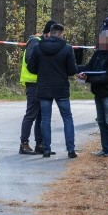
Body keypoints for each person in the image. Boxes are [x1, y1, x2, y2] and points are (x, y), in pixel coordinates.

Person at [26, 23, 78, 158]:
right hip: (61, 88)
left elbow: (31, 68)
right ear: (61, 34)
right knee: (67, 118)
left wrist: (42, 71)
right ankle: (71, 149)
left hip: (43, 87)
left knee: (45, 119)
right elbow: (72, 70)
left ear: (50, 33)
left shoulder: (38, 47)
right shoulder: (67, 48)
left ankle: (47, 150)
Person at [77, 30, 108, 157]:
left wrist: (88, 79)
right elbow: (89, 67)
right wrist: (75, 69)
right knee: (101, 121)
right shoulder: (98, 53)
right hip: (98, 92)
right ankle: (105, 148)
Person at [19, 20, 56, 155]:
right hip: (33, 83)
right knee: (31, 115)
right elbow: (30, 60)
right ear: (47, 33)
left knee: (41, 116)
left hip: (42, 83)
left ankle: (39, 144)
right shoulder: (35, 42)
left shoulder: (42, 42)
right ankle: (24, 144)